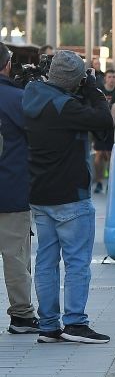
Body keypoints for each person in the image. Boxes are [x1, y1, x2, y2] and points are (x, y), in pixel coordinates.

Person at [24, 51, 114, 344]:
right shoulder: (65, 106)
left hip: (40, 194)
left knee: (45, 262)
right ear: (72, 81)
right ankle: (75, 323)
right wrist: (92, 88)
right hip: (71, 197)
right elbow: (103, 121)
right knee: (76, 262)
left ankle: (48, 325)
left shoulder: (32, 95)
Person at [0, 45, 36, 335]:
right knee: (15, 256)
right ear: (7, 64)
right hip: (11, 190)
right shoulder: (17, 98)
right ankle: (22, 316)